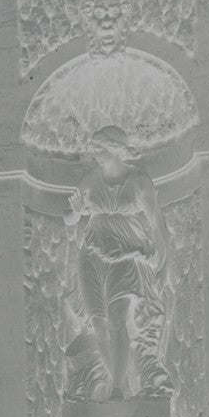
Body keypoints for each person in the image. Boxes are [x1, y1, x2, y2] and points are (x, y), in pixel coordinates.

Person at [63, 126, 169, 400]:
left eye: (98, 148)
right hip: (92, 256)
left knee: (116, 321)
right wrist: (74, 212)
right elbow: (70, 218)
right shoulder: (90, 180)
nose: (94, 154)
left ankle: (118, 388)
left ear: (112, 148)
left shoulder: (138, 180)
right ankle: (123, 385)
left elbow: (156, 222)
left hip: (126, 256)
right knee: (98, 326)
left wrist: (163, 262)